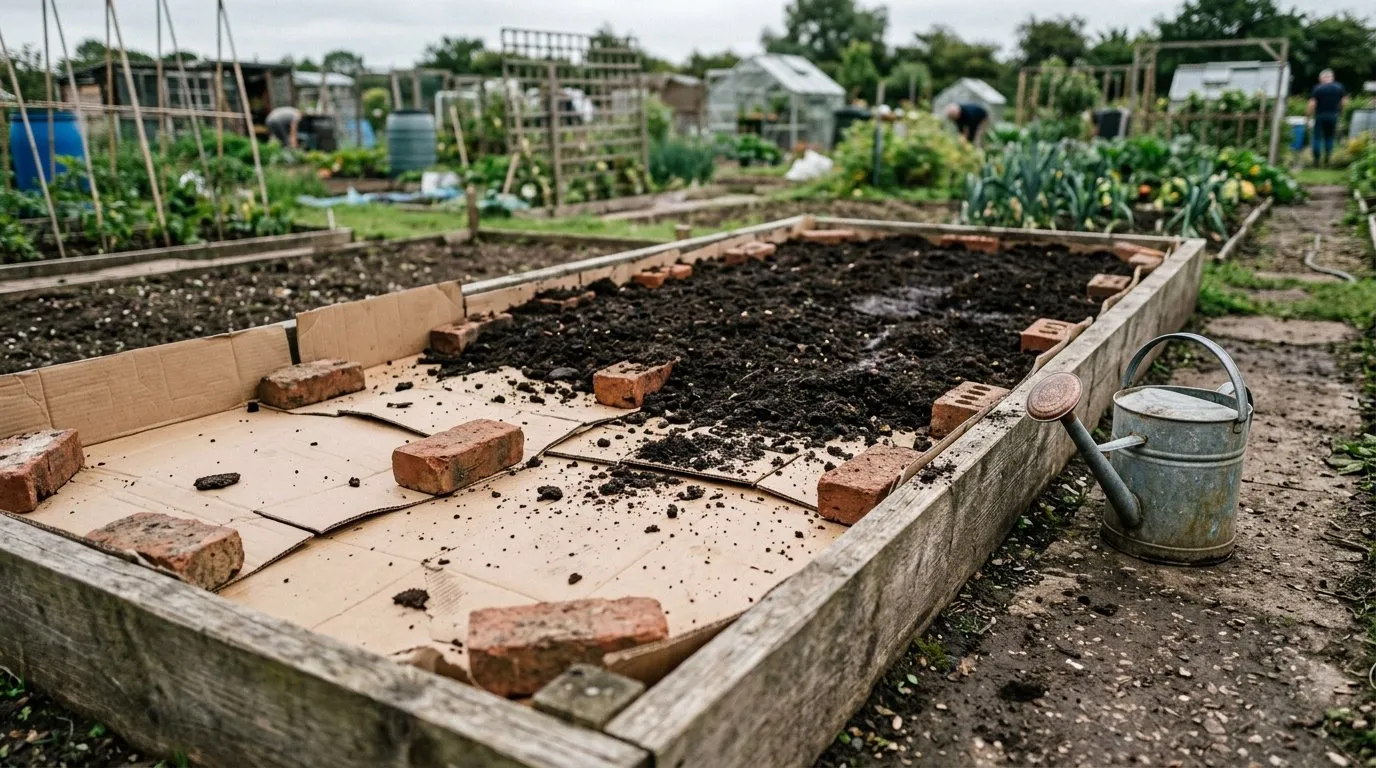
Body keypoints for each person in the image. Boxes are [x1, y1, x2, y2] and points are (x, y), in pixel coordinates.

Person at [1307, 69, 1348, 166]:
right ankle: (1327, 158)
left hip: (1320, 115)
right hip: (1333, 115)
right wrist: (1341, 111)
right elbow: (1344, 102)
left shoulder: (1318, 88)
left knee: (1317, 137)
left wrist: (1309, 115)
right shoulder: (1339, 87)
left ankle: (1316, 160)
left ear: (1322, 78)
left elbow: (1312, 104)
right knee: (1329, 137)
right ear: (1332, 78)